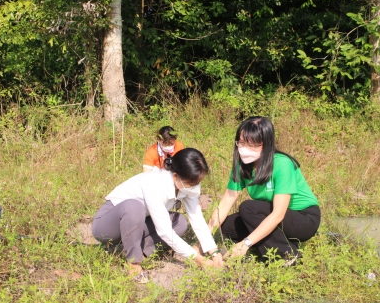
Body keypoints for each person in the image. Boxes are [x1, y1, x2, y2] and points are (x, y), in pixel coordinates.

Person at [92, 148, 223, 280]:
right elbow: (164, 231)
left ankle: (138, 252)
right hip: (107, 226)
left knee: (180, 223)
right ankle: (133, 262)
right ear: (176, 176)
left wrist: (214, 252)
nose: (195, 187)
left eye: (198, 182)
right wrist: (198, 259)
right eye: (193, 183)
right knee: (134, 206)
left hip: (137, 224)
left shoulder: (186, 185)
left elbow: (197, 218)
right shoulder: (155, 184)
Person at [207, 116, 320, 266]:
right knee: (226, 226)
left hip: (303, 219)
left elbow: (278, 214)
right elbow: (224, 204)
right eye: (241, 142)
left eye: (252, 145)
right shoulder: (242, 166)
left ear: (266, 144)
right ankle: (274, 242)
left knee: (248, 208)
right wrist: (205, 240)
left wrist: (245, 243)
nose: (244, 149)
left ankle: (286, 254)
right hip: (270, 215)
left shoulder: (282, 164)